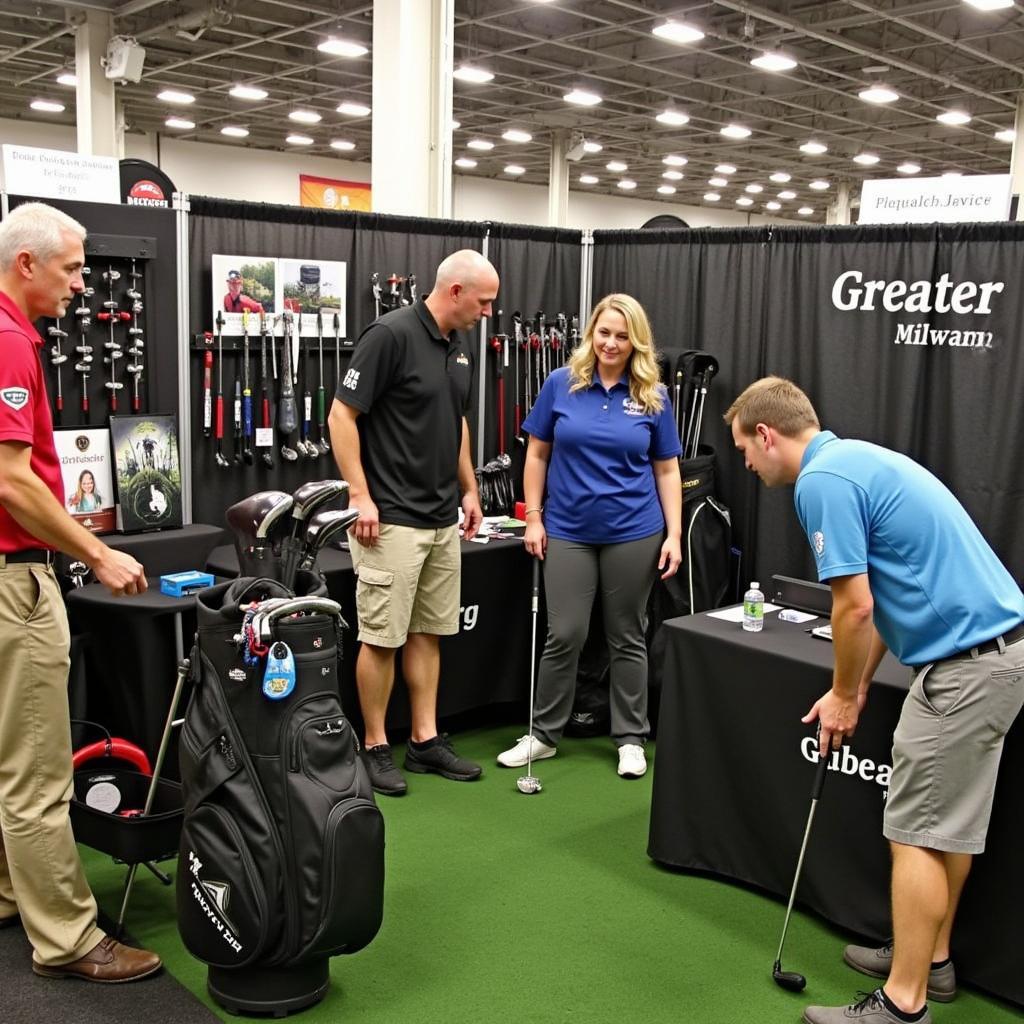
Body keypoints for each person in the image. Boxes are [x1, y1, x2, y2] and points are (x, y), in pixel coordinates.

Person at [724, 376, 1024, 1024]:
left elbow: (854, 606)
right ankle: (932, 961)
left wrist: (836, 693)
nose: (746, 463)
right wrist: (857, 688)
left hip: (965, 670)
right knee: (949, 832)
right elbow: (888, 596)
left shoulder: (822, 482)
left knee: (914, 832)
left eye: (745, 449)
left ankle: (903, 1003)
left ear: (768, 435)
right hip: (999, 657)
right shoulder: (856, 459)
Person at [0, 202, 162, 983]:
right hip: (13, 581)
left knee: (5, 761)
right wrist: (97, 552)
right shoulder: (7, 342)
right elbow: (11, 483)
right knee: (35, 772)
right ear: (26, 264)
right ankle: (66, 938)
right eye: (70, 267)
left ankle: (10, 890)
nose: (81, 282)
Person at [327, 249, 494, 796]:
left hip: (442, 517)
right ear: (454, 292)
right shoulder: (390, 335)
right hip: (390, 520)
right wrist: (360, 494)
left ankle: (424, 740)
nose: (489, 311)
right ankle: (374, 744)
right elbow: (341, 416)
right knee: (381, 638)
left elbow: (457, 422)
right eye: (484, 300)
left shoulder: (459, 347)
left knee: (429, 633)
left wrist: (469, 488)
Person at [497, 293, 682, 779]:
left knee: (626, 634)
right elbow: (536, 455)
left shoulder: (653, 395)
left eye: (623, 336)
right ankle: (543, 735)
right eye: (605, 333)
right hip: (568, 530)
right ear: (591, 334)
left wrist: (675, 534)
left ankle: (629, 738)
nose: (612, 343)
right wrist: (533, 517)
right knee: (566, 633)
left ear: (636, 341)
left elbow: (666, 470)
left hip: (635, 531)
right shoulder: (561, 383)